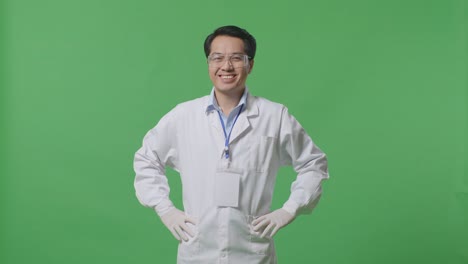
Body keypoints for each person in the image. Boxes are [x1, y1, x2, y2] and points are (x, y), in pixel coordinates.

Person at [134, 25, 329, 264]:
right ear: (208, 63)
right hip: (198, 250)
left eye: (236, 58)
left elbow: (313, 164)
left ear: (250, 64)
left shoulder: (274, 116)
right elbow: (146, 159)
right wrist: (166, 209)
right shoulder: (183, 116)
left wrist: (290, 209)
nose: (226, 66)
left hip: (252, 252)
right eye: (217, 58)